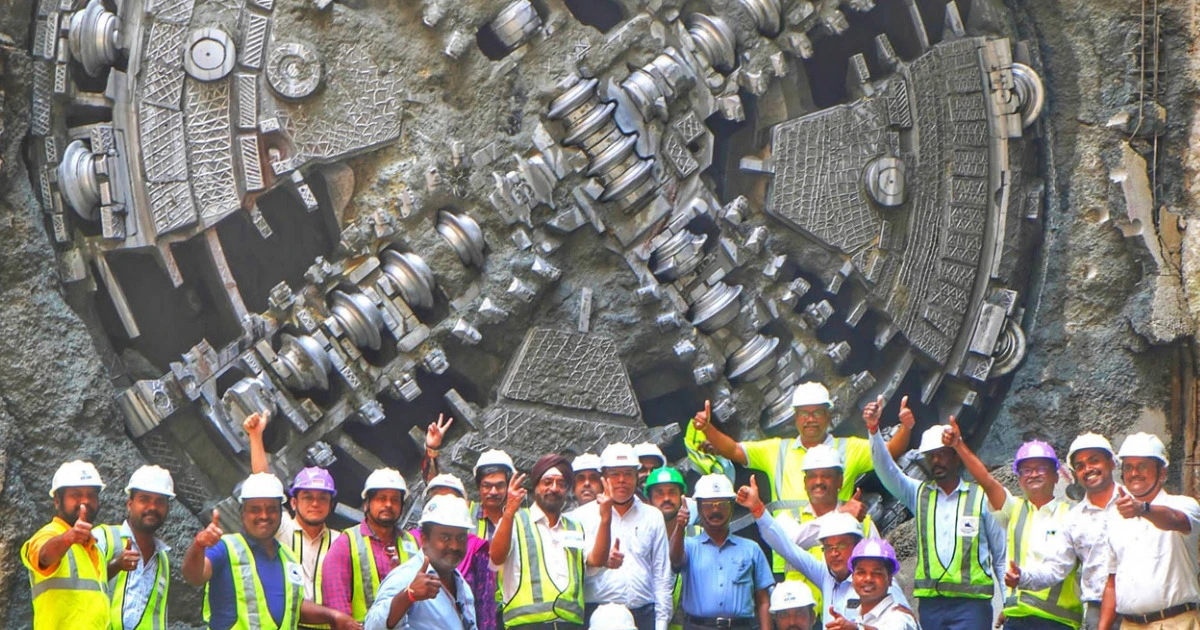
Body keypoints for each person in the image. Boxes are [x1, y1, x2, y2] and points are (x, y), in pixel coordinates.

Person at [695, 387, 912, 575]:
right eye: (804, 414)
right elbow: (734, 449)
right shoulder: (777, 450)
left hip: (838, 556)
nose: (810, 419)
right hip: (789, 556)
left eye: (817, 412)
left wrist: (905, 427)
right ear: (795, 418)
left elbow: (889, 452)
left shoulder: (849, 449)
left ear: (828, 416)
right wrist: (707, 428)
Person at [865, 411, 1005, 629]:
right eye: (931, 456)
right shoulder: (918, 494)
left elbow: (1001, 557)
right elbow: (887, 471)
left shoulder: (981, 498)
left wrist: (1009, 601)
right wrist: (874, 431)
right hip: (932, 606)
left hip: (972, 606)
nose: (936, 461)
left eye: (942, 454)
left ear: (956, 456)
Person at [946, 423, 1082, 630]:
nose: (1033, 474)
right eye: (1026, 470)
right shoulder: (1014, 509)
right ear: (1019, 479)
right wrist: (959, 445)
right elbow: (987, 482)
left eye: (1041, 468)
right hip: (1017, 618)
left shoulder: (1071, 515)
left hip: (1058, 621)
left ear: (1055, 476)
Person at [181, 472, 359, 630]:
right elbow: (194, 576)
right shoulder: (225, 548)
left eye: (271, 509)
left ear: (281, 514)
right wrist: (198, 546)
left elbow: (293, 606)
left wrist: (332, 616)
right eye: (255, 509)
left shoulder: (288, 557)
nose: (264, 516)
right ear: (242, 514)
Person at [736, 478, 909, 621]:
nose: (834, 552)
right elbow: (786, 547)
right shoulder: (826, 576)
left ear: (856, 546)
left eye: (841, 545)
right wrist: (758, 509)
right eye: (828, 547)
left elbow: (903, 621)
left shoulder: (879, 581)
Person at [1007, 433, 1122, 630]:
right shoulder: (1074, 519)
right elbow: (1056, 567)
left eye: (1094, 460)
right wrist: (1023, 577)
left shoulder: (1136, 504)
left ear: (1111, 463)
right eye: (1080, 465)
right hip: (1097, 609)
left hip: (1140, 609)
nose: (1088, 469)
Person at [490, 454, 614, 628]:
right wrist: (509, 511)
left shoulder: (575, 528)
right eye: (547, 482)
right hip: (526, 625)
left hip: (569, 625)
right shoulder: (515, 521)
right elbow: (496, 558)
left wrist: (606, 519)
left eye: (561, 484)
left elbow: (596, 561)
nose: (554, 488)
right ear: (536, 486)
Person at [1097, 433, 1200, 629]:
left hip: (1176, 623)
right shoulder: (1115, 518)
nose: (1134, 473)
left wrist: (1143, 509)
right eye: (1128, 467)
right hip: (1129, 624)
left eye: (1142, 466)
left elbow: (1175, 520)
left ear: (1162, 473)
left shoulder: (1184, 505)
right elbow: (1112, 582)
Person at [245, 410, 340, 609]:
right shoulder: (283, 530)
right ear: (294, 503)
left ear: (331, 505)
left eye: (322, 498)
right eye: (308, 497)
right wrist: (255, 437)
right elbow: (264, 485)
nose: (315, 503)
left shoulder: (341, 542)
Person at [571, 443, 672, 630]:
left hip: (643, 613)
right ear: (604, 478)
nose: (621, 480)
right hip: (597, 615)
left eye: (627, 474)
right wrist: (600, 561)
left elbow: (661, 575)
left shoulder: (652, 516)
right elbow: (573, 574)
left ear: (636, 476)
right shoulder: (580, 517)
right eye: (614, 474)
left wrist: (661, 623)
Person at [670, 474, 772, 630]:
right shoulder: (689, 546)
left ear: (731, 506)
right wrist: (680, 527)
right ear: (698, 507)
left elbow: (763, 601)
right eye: (708, 505)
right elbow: (675, 560)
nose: (715, 510)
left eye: (722, 504)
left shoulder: (751, 549)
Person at [365, 495, 478, 630]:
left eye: (460, 538)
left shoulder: (461, 584)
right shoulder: (405, 577)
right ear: (424, 539)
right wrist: (408, 595)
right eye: (445, 537)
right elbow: (372, 626)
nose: (454, 546)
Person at [21, 460, 109, 629]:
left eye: (91, 494)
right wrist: (68, 538)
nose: (85, 501)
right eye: (76, 494)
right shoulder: (49, 534)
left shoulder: (94, 547)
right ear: (57, 501)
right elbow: (44, 556)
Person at [322, 468, 419, 622]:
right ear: (367, 503)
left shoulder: (413, 544)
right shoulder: (346, 544)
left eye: (395, 499)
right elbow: (337, 607)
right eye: (382, 498)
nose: (388, 504)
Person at [95, 465, 176, 630]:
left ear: (167, 508)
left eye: (159, 501)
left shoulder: (163, 560)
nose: (152, 507)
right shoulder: (103, 537)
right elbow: (79, 587)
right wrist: (115, 565)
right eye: (144, 499)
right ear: (130, 504)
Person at [409, 474, 491, 628]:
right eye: (438, 499)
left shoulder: (476, 547)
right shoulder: (409, 541)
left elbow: (485, 600)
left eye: (451, 500)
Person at [825, 538, 920, 630]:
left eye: (876, 573)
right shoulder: (857, 614)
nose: (868, 579)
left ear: (890, 579)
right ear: (853, 577)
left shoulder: (900, 617)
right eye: (861, 572)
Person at [644, 466, 694, 630]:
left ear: (682, 497)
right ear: (649, 500)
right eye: (659, 493)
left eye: (672, 492)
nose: (666, 498)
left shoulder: (696, 536)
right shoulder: (641, 537)